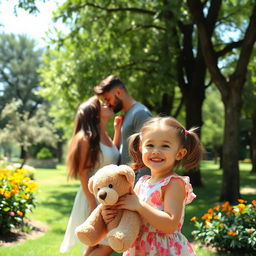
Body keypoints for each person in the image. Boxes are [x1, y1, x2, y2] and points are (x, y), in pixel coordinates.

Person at [104, 117, 203, 255]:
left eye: (165, 146)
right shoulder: (142, 182)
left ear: (179, 153)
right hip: (139, 248)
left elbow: (170, 225)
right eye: (150, 145)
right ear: (140, 148)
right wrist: (113, 217)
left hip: (163, 250)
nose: (156, 151)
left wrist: (138, 205)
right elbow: (132, 217)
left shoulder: (174, 184)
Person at [59, 96, 121, 256]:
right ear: (95, 114)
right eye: (101, 104)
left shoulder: (104, 135)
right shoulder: (86, 139)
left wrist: (117, 131)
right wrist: (92, 204)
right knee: (107, 244)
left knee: (96, 243)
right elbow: (83, 172)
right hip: (92, 197)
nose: (106, 104)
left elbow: (112, 157)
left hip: (105, 196)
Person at [94, 75, 152, 183]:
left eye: (108, 99)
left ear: (118, 92)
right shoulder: (126, 115)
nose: (107, 104)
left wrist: (139, 187)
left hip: (136, 186)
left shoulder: (140, 113)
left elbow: (149, 152)